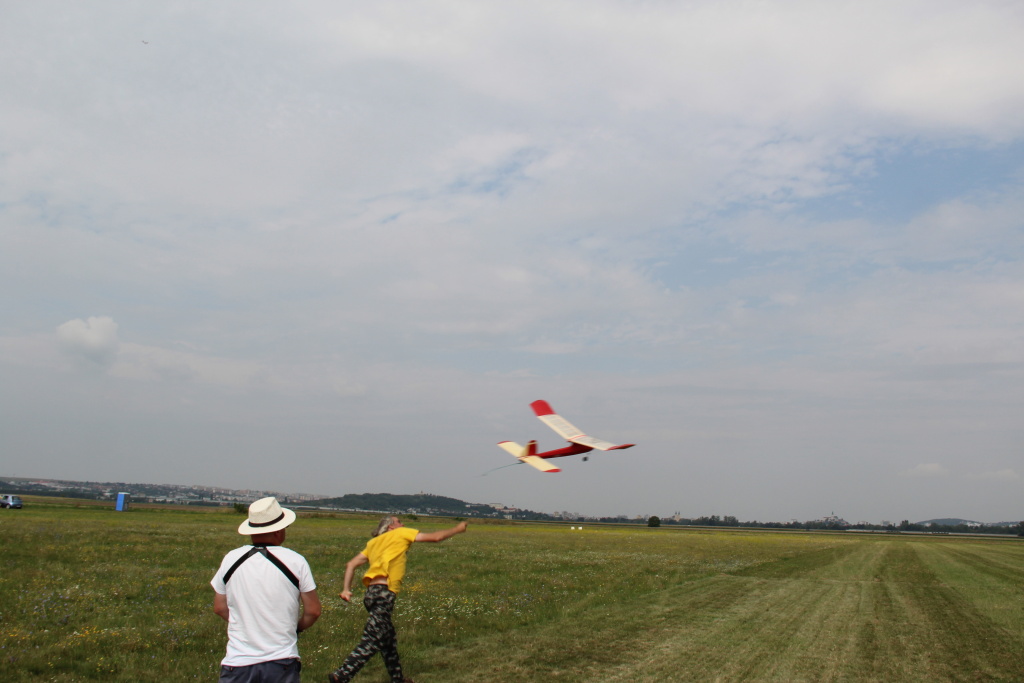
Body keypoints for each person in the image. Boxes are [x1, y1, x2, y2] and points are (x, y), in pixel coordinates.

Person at [328, 516, 468, 683]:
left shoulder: (374, 542)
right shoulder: (401, 533)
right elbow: (436, 537)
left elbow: (351, 564)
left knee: (388, 640)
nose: (403, 524)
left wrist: (346, 589)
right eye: (399, 521)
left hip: (371, 594)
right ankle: (341, 675)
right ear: (391, 527)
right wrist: (457, 529)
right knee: (372, 639)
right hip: (384, 594)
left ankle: (397, 679)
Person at [212, 497, 322, 683]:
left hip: (237, 663)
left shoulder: (231, 558)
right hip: (281, 661)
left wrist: (246, 624)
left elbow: (219, 607)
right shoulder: (296, 561)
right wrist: (295, 628)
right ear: (278, 530)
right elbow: (313, 611)